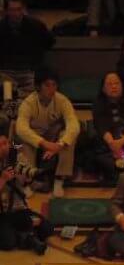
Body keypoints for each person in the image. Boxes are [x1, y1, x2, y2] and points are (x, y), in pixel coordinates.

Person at [15, 68, 79, 196]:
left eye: (54, 85)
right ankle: (28, 182)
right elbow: (20, 127)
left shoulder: (62, 100)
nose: (52, 89)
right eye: (47, 85)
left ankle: (59, 179)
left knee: (69, 137)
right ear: (38, 86)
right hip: (36, 138)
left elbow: (74, 124)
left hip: (54, 137)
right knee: (23, 141)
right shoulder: (28, 103)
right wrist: (44, 143)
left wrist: (60, 144)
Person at [0, 134, 50, 254]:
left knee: (47, 229)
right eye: (0, 145)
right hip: (1, 214)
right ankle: (26, 237)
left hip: (18, 209)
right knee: (8, 243)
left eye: (5, 143)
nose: (4, 148)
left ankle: (24, 235)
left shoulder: (17, 157)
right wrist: (2, 179)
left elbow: (29, 181)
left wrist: (28, 178)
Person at [91, 71, 124, 183]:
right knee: (94, 156)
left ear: (122, 86)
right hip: (107, 145)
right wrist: (112, 144)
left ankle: (120, 167)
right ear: (103, 88)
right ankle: (117, 169)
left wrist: (121, 143)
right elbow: (101, 126)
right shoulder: (98, 103)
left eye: (117, 83)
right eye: (109, 84)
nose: (114, 86)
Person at [0, 0, 53, 74]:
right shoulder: (1, 27)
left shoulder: (37, 26)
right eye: (12, 10)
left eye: (18, 9)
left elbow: (48, 42)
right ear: (6, 11)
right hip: (5, 69)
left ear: (23, 10)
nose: (15, 13)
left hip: (31, 68)